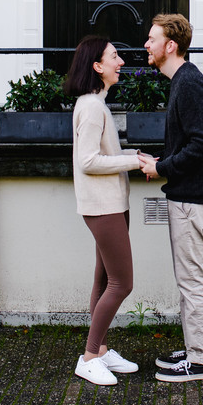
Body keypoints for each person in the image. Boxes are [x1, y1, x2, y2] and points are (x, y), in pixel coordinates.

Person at [138, 13, 203, 382]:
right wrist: (161, 162)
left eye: (152, 39)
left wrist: (162, 168)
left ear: (170, 45)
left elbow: (202, 145)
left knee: (192, 282)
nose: (146, 44)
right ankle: (193, 350)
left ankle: (200, 363)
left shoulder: (188, 84)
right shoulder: (183, 81)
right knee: (190, 280)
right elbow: (190, 142)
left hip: (193, 201)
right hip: (190, 197)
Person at [64, 35, 143, 386]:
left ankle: (101, 351)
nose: (120, 62)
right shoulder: (93, 107)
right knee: (122, 283)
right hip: (103, 206)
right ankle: (88, 357)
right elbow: (88, 161)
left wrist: (134, 156)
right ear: (97, 66)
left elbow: (101, 155)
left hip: (110, 204)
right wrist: (133, 162)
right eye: (114, 56)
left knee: (103, 280)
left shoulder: (95, 103)